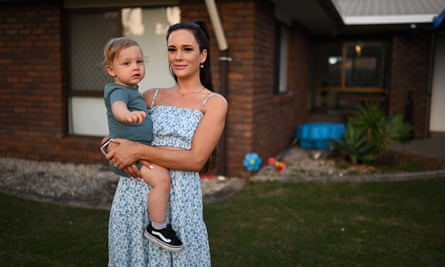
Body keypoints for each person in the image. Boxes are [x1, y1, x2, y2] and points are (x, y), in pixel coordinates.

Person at [102, 21, 228, 266]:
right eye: (172, 49)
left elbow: (196, 160)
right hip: (134, 194)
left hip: (181, 201)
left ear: (203, 55)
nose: (178, 57)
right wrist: (110, 148)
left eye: (187, 49)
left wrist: (137, 150)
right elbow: (113, 133)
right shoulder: (151, 95)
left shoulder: (214, 102)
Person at [102, 37, 183, 252]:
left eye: (139, 61)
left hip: (136, 153)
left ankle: (157, 225)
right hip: (131, 156)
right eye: (127, 64)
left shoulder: (134, 91)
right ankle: (157, 227)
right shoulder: (117, 91)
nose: (135, 67)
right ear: (112, 70)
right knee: (162, 180)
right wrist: (127, 115)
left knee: (161, 179)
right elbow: (117, 108)